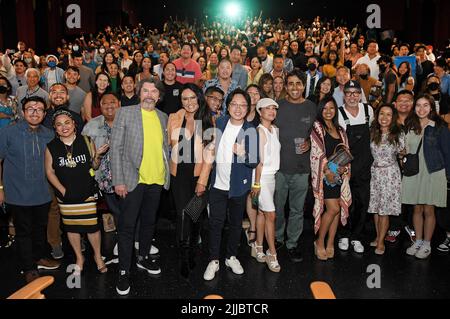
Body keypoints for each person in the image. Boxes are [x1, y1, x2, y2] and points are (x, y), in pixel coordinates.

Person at [111, 78, 170, 296]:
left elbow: (165, 149)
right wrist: (119, 180)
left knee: (148, 223)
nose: (149, 94)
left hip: (156, 180)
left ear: (159, 96)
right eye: (145, 90)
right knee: (127, 227)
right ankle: (124, 271)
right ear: (138, 93)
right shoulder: (125, 113)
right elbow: (115, 148)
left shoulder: (163, 117)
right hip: (132, 180)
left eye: (153, 91)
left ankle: (143, 258)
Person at [200, 88, 259, 281]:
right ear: (228, 106)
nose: (238, 108)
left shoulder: (250, 129)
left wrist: (242, 153)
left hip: (238, 187)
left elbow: (253, 161)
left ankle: (231, 257)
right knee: (215, 224)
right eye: (234, 104)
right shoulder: (222, 121)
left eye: (243, 105)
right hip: (217, 185)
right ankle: (214, 260)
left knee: (235, 224)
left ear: (248, 108)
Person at [0, 96, 60, 283]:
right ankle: (29, 267)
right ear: (23, 112)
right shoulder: (8, 132)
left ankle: (39, 257)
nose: (35, 112)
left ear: (44, 113)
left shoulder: (49, 134)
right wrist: (0, 187)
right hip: (17, 193)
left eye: (39, 109)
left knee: (40, 229)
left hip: (42, 192)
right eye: (30, 109)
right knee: (23, 231)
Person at [45, 109, 107, 275]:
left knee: (92, 227)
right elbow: (49, 172)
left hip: (87, 192)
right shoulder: (51, 147)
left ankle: (98, 256)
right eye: (59, 124)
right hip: (66, 196)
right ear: (55, 129)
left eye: (67, 123)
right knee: (72, 228)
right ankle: (79, 258)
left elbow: (94, 166)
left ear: (74, 124)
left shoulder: (86, 140)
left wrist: (98, 155)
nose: (63, 127)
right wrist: (63, 191)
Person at [167, 83, 213, 277]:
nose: (189, 102)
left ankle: (193, 249)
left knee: (195, 216)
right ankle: (184, 256)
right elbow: (170, 142)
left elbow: (210, 153)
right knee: (182, 215)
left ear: (199, 98)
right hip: (179, 174)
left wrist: (202, 181)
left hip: (198, 175)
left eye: (192, 97)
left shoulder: (207, 118)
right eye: (185, 99)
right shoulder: (174, 117)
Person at [275, 70, 317, 262]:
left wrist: (310, 143)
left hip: (301, 168)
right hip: (279, 168)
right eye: (290, 83)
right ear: (285, 86)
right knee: (277, 207)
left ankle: (292, 243)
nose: (294, 87)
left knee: (297, 209)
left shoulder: (311, 107)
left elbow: (318, 136)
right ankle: (276, 238)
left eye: (298, 83)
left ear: (303, 86)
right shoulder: (278, 106)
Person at [402, 94, 449, 259]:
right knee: (416, 208)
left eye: (425, 105)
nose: (421, 109)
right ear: (414, 108)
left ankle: (427, 243)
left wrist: (448, 176)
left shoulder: (440, 127)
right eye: (418, 105)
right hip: (414, 171)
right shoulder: (410, 124)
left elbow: (447, 152)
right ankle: (418, 241)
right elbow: (404, 147)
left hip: (433, 172)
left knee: (429, 209)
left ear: (431, 107)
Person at [82, 92, 121, 264]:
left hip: (127, 176)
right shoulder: (91, 126)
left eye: (113, 102)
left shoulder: (128, 122)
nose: (109, 106)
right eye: (105, 103)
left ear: (119, 103)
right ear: (100, 106)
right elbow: (85, 153)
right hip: (104, 178)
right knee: (117, 211)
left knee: (130, 210)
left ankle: (131, 239)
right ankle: (124, 238)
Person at [310, 97, 351, 261]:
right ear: (320, 110)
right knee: (333, 209)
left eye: (332, 108)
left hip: (339, 177)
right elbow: (317, 154)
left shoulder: (340, 130)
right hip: (324, 176)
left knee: (338, 209)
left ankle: (330, 243)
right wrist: (333, 169)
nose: (328, 111)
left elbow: (346, 152)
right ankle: (319, 242)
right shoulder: (317, 127)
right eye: (325, 108)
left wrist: (343, 169)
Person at [337, 80, 374, 253]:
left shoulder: (369, 110)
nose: (352, 96)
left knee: (361, 203)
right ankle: (343, 235)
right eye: (349, 93)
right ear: (344, 95)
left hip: (365, 165)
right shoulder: (338, 113)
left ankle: (356, 236)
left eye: (355, 93)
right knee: (344, 202)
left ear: (360, 95)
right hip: (346, 166)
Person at [368, 104, 405, 255]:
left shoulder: (398, 133)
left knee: (384, 211)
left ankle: (381, 241)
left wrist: (403, 155)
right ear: (377, 116)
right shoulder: (372, 132)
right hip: (375, 174)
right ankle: (378, 237)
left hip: (390, 174)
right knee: (376, 209)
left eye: (388, 114)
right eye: (381, 114)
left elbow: (403, 153)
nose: (384, 117)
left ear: (393, 117)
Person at [250, 98, 281, 272]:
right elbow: (259, 162)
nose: (271, 111)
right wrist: (256, 184)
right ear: (260, 112)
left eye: (273, 109)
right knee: (271, 215)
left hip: (272, 178)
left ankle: (258, 247)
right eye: (267, 109)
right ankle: (272, 253)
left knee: (262, 213)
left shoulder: (274, 130)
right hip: (261, 178)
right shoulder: (259, 131)